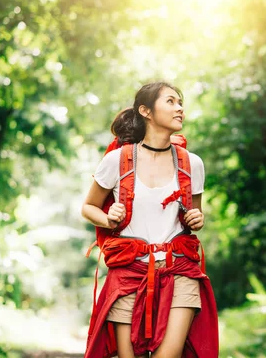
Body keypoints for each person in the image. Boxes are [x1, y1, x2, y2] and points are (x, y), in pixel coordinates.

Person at [81, 82, 218, 358]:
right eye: (170, 101)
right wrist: (109, 219)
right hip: (128, 272)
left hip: (180, 269)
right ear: (146, 111)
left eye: (180, 102)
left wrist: (196, 218)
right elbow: (88, 207)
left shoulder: (193, 163)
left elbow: (194, 217)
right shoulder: (117, 160)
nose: (179, 108)